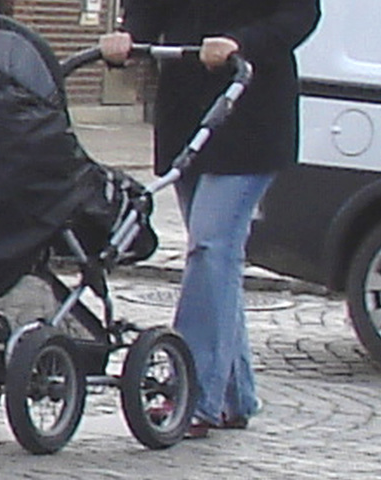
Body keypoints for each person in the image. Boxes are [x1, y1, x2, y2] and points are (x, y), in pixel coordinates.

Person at [100, 0, 321, 438]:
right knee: (215, 262)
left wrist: (242, 43)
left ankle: (193, 393)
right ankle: (235, 398)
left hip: (249, 116)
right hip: (188, 119)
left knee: (210, 247)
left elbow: (300, 14)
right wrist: (129, 32)